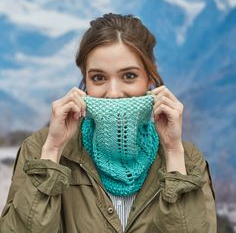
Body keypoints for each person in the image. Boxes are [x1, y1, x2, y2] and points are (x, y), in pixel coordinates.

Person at [0, 13, 216, 233]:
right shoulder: (40, 149)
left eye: (129, 76)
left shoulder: (188, 160)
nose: (113, 94)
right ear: (85, 83)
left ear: (150, 79)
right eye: (99, 78)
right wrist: (53, 150)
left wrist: (173, 153)